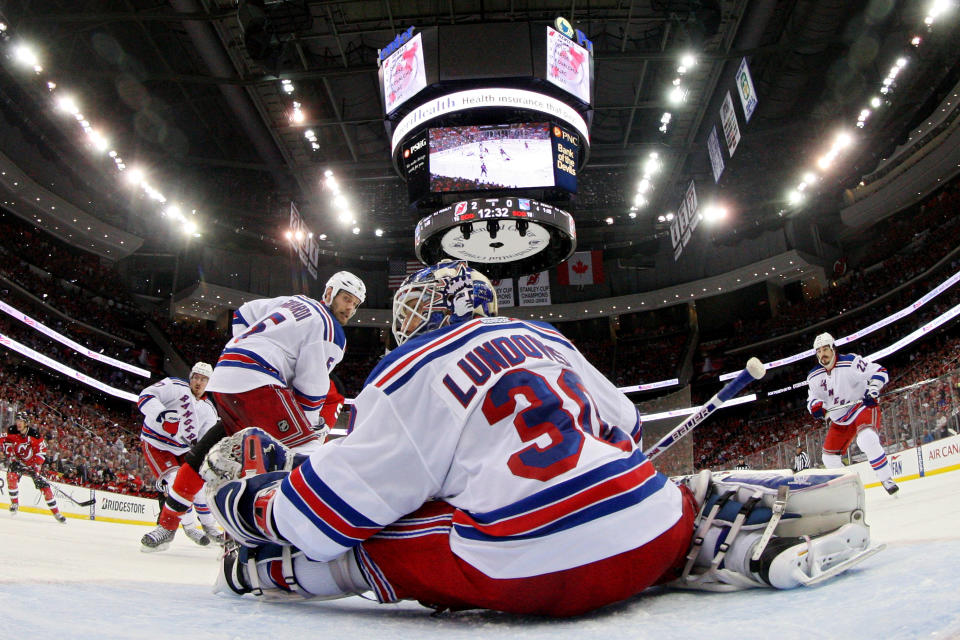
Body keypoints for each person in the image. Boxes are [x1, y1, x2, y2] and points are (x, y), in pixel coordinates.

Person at [200, 261, 880, 615]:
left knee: (375, 531)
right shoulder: (546, 338)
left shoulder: (401, 372)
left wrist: (251, 503)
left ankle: (259, 568)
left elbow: (327, 522)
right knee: (631, 482)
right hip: (650, 528)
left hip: (527, 570)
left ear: (434, 311)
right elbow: (627, 426)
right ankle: (714, 532)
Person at [140, 271, 365, 551]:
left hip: (225, 372)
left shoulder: (294, 301)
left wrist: (249, 345)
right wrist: (308, 424)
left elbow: (243, 314)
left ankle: (168, 523)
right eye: (346, 299)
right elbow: (312, 387)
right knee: (301, 450)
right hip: (259, 382)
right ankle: (271, 539)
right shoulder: (329, 328)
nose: (349, 308)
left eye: (355, 304)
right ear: (329, 293)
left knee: (207, 448)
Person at [137, 362, 221, 551]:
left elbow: (204, 441)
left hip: (183, 450)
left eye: (204, 379)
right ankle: (183, 527)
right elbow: (145, 396)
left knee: (199, 486)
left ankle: (209, 526)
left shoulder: (209, 410)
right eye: (196, 377)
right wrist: (162, 415)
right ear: (190, 378)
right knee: (176, 481)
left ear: (210, 383)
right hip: (157, 444)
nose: (198, 382)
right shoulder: (174, 386)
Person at [806, 332, 898, 495]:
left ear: (834, 348)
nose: (822, 354)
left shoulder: (850, 362)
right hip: (839, 419)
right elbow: (812, 398)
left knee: (866, 439)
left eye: (826, 349)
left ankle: (887, 479)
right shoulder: (813, 376)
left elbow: (880, 371)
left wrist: (873, 388)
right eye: (818, 351)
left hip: (861, 408)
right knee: (828, 459)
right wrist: (815, 406)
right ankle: (852, 490)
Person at [1, 411, 66, 523]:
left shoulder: (34, 435)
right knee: (11, 476)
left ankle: (56, 513)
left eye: (21, 421)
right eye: (17, 420)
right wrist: (2, 452)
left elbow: (41, 452)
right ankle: (15, 503)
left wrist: (36, 466)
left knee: (45, 487)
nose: (18, 423)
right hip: (18, 462)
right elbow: (3, 439)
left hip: (33, 465)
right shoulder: (12, 430)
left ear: (26, 423)